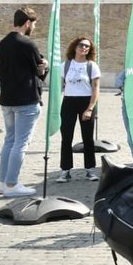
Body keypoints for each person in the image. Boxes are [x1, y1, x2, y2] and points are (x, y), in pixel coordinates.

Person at [0, 7, 48, 198]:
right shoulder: (27, 43)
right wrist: (46, 66)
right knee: (21, 143)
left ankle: (3, 182)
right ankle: (12, 184)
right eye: (33, 24)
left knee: (9, 141)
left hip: (7, 99)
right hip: (26, 100)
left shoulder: (2, 43)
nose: (33, 27)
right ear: (27, 23)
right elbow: (39, 72)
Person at [56, 37, 101, 182]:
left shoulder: (92, 66)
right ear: (75, 47)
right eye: (82, 45)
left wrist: (90, 108)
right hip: (68, 101)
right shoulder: (65, 65)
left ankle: (90, 169)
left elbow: (96, 89)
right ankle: (65, 170)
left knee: (87, 138)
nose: (84, 48)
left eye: (87, 46)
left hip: (86, 101)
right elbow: (58, 86)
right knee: (66, 137)